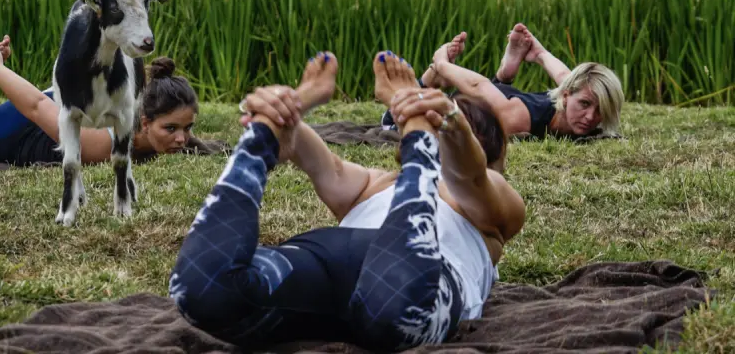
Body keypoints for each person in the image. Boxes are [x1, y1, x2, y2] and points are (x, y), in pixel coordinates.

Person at [168, 50, 525, 351]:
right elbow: (310, 155)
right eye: (427, 115)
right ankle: (261, 134)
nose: (438, 118)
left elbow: (469, 175)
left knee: (396, 316)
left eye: (440, 119)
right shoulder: (373, 183)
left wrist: (443, 124)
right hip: (328, 259)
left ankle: (419, 141)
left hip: (420, 280)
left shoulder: (491, 198)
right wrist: (284, 109)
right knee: (202, 291)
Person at [0, 36, 204, 166]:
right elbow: (37, 106)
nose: (182, 139)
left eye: (187, 128)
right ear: (145, 123)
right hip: (25, 128)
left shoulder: (153, 123)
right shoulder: (103, 144)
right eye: (171, 129)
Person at [380, 24, 625, 140]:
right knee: (398, 117)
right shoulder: (520, 118)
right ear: (565, 97)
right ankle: (433, 75)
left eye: (600, 110)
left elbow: (565, 77)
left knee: (499, 92)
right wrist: (444, 63)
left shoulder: (574, 94)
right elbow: (480, 88)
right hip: (459, 105)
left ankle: (503, 75)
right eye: (585, 105)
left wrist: (540, 54)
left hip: (500, 94)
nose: (591, 117)